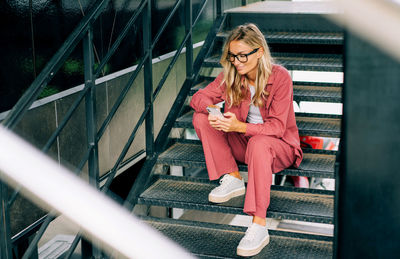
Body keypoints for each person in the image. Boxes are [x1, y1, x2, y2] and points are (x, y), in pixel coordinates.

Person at [190, 23, 303, 257]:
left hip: (278, 147)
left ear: (259, 52)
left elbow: (277, 127)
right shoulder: (230, 76)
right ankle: (232, 177)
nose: (237, 61)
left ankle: (259, 225)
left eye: (242, 55)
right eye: (232, 56)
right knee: (201, 118)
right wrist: (215, 111)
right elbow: (198, 98)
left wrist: (239, 126)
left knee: (259, 142)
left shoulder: (279, 77)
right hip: (245, 143)